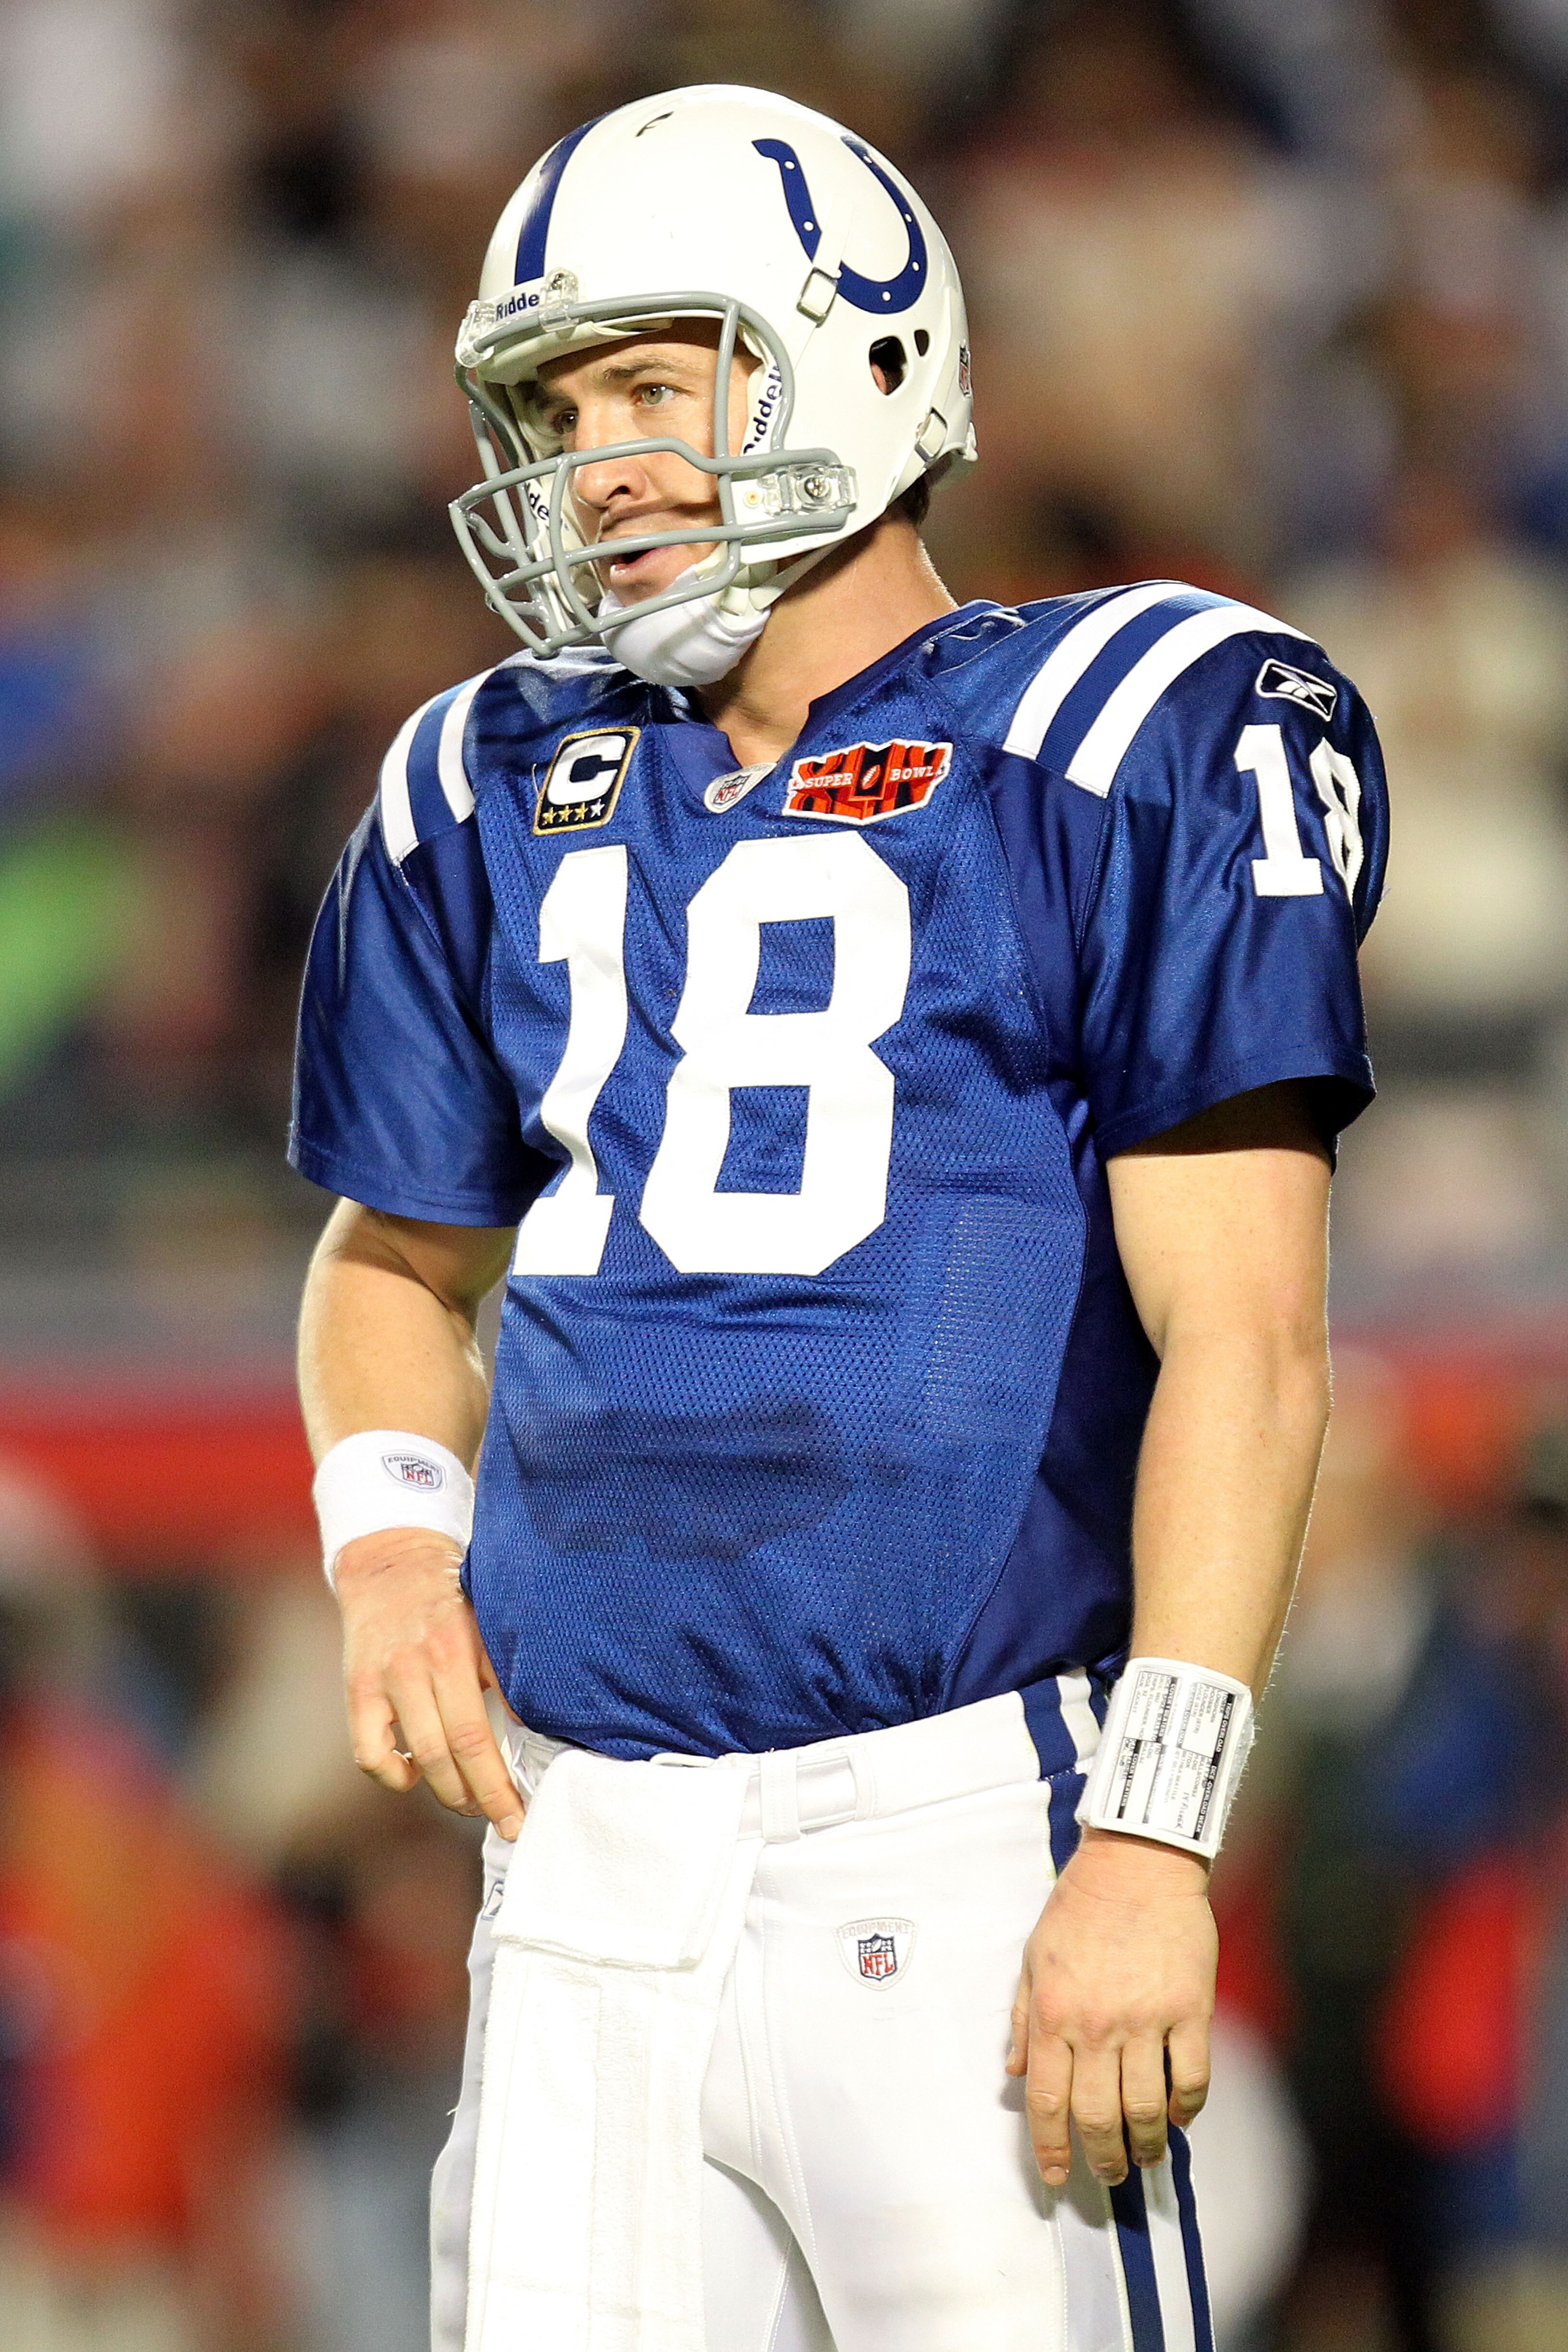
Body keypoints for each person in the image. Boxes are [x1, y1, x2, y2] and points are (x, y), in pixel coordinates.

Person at [289, 84, 1387, 2352]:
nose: (597, 464)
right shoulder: (491, 779)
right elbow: (391, 1262)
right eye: (558, 411)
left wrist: (1154, 1839)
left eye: (650, 384)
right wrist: (392, 1541)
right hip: (579, 1856)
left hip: (965, 1822)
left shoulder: (1125, 729)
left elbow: (1252, 1345)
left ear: (856, 357)